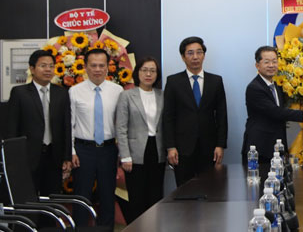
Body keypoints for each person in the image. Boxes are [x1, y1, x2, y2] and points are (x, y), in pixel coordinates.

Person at [163, 36, 228, 187]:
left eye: (199, 52)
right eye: (190, 53)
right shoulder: (173, 82)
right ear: (183, 57)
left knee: (210, 190)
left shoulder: (216, 81)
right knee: (184, 191)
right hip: (182, 149)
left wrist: (220, 145)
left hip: (209, 147)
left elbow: (222, 115)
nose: (195, 57)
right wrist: (170, 146)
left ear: (204, 55)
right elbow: (168, 117)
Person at [69, 48, 124, 227]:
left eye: (102, 65)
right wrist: (72, 151)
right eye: (93, 65)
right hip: (83, 150)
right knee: (82, 195)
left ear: (108, 67)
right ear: (85, 67)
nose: (98, 69)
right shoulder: (75, 91)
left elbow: (122, 124)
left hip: (108, 150)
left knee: (108, 195)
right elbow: (70, 124)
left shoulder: (118, 90)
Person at [6, 49, 71, 196]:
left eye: (51, 66)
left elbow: (66, 126)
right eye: (43, 65)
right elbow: (12, 128)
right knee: (27, 198)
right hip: (27, 157)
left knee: (51, 198)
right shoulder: (19, 93)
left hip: (54, 156)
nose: (48, 69)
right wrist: (13, 159)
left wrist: (66, 156)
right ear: (32, 69)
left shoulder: (61, 93)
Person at [241, 46, 303, 164]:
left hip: (276, 146)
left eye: (274, 61)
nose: (271, 65)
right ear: (257, 65)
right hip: (259, 148)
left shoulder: (276, 86)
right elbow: (275, 112)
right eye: (267, 62)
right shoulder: (254, 88)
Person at [116, 57, 166, 222]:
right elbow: (121, 128)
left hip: (157, 150)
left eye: (152, 70)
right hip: (135, 152)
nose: (148, 74)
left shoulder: (162, 95)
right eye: (144, 70)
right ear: (137, 72)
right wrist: (125, 156)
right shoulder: (127, 96)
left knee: (155, 195)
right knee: (137, 197)